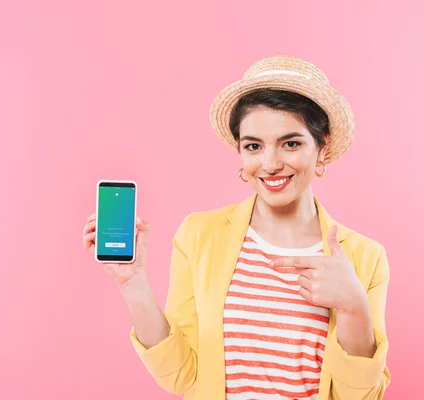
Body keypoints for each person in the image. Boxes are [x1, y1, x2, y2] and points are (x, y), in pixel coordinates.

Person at [82, 56, 391, 400]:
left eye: (291, 143)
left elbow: (360, 395)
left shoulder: (364, 257)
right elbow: (182, 376)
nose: (270, 164)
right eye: (253, 146)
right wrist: (133, 283)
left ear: (322, 147)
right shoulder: (200, 235)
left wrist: (354, 306)